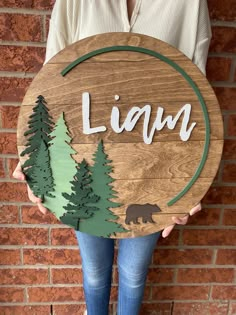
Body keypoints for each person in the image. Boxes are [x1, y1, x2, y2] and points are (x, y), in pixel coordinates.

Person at [13, 0, 211, 314]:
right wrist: (39, 157)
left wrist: (193, 178)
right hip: (83, 169)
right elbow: (53, 81)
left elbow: (196, 95)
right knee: (94, 271)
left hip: (153, 173)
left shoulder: (189, 4)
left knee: (133, 274)